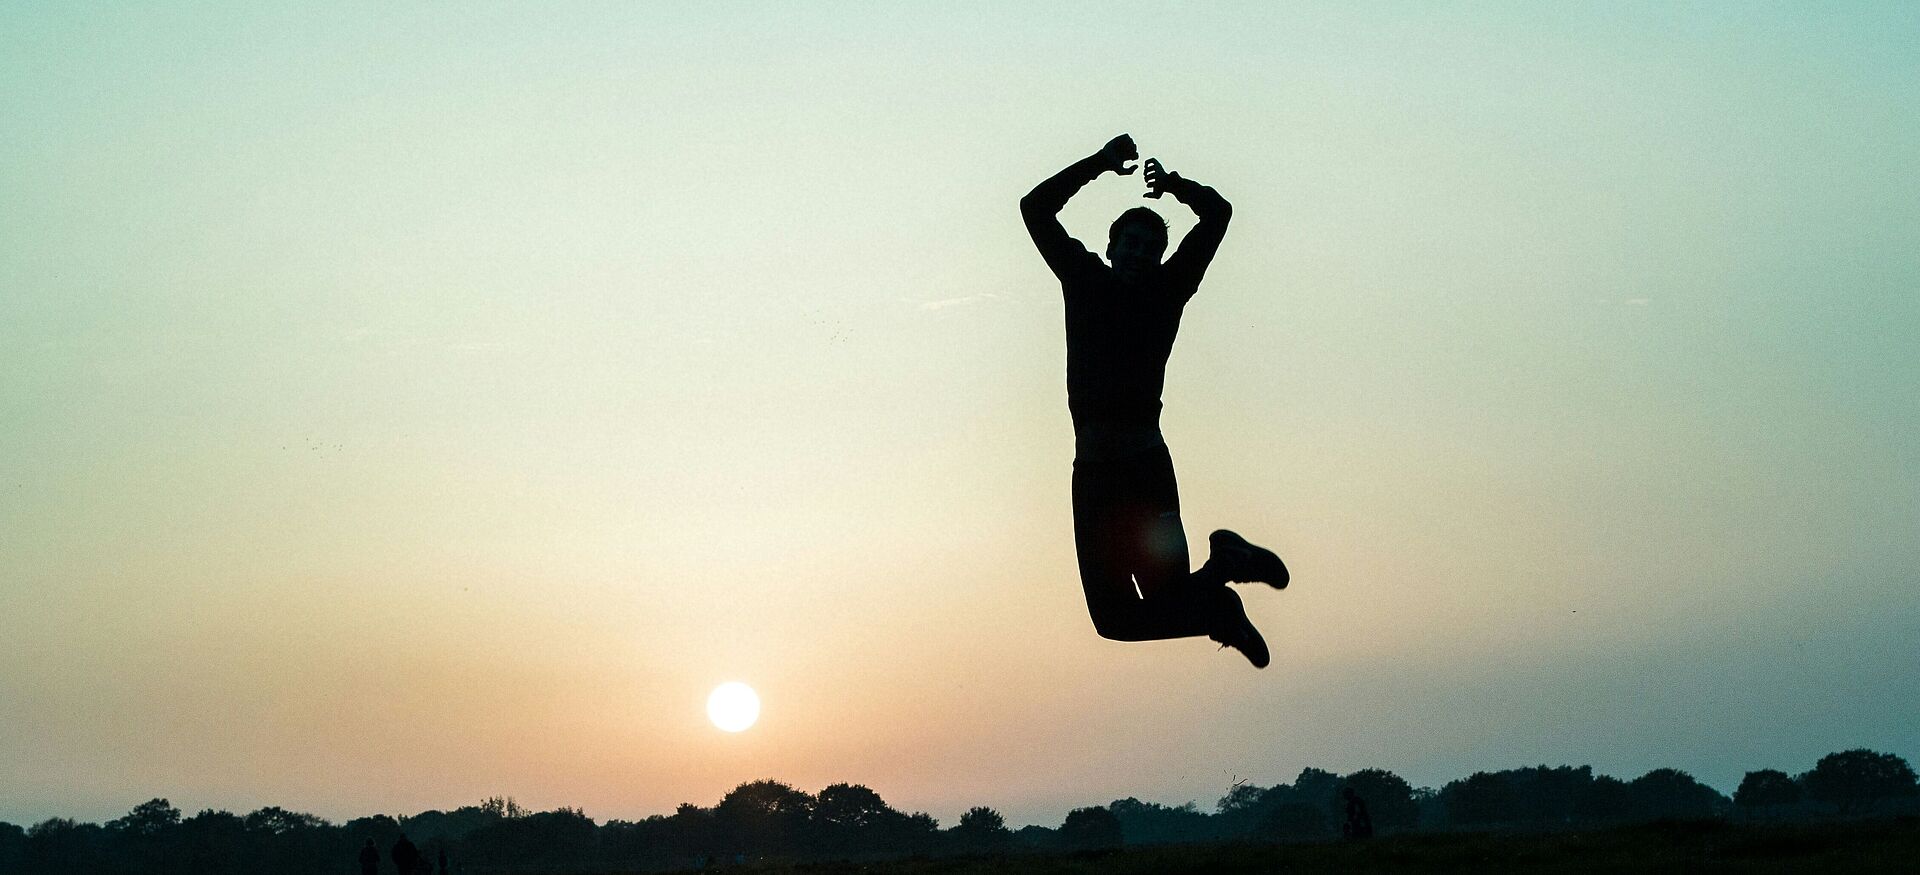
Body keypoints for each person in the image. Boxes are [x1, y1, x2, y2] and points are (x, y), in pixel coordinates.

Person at [1021, 133, 1289, 667]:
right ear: (1111, 249)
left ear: (1162, 258)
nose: (1142, 252)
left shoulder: (1168, 290)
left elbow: (1217, 214)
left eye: (1152, 247)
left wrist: (1172, 187)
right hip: (1094, 476)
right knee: (1114, 622)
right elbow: (1035, 208)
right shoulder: (1083, 279)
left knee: (1163, 596)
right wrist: (1098, 164)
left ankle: (1220, 587)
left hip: (1144, 470)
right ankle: (1221, 592)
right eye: (1132, 243)